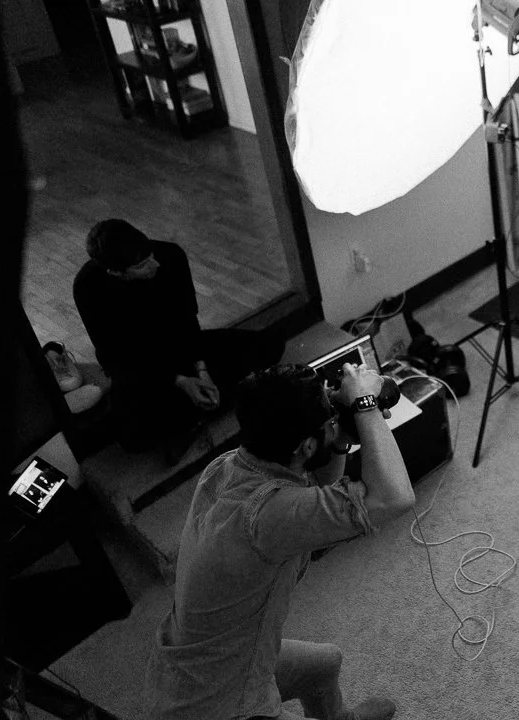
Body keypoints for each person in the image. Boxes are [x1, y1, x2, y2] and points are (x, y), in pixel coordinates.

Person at [143, 362, 415, 720]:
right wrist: (364, 402)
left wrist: (337, 441)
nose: (335, 413)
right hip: (217, 706)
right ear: (304, 446)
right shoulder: (268, 515)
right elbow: (394, 497)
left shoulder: (231, 465)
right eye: (328, 417)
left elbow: (318, 490)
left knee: (325, 663)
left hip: (197, 665)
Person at [73, 218, 286, 460]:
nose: (155, 264)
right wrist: (180, 381)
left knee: (271, 344)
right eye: (143, 265)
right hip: (142, 367)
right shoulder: (88, 287)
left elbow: (188, 323)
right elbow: (115, 358)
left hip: (182, 348)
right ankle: (210, 406)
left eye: (151, 255)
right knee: (130, 437)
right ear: (115, 272)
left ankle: (195, 414)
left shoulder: (170, 255)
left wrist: (201, 370)